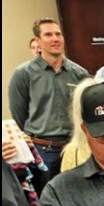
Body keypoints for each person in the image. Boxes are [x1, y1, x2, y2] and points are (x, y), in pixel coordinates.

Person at [8, 18, 90, 177]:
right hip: (43, 150)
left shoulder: (79, 73)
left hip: (74, 146)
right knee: (47, 197)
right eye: (48, 35)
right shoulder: (24, 74)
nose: (55, 39)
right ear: (38, 41)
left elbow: (84, 110)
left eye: (58, 34)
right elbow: (19, 114)